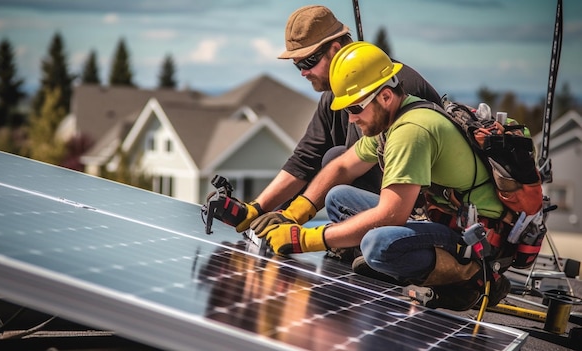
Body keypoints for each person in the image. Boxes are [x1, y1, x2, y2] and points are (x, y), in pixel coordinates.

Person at [249, 41, 511, 311]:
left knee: (378, 245)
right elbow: (342, 167)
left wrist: (304, 239)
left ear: (385, 96)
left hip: (474, 238)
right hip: (446, 220)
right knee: (338, 197)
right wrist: (294, 214)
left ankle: (469, 278)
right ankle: (396, 260)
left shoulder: (411, 131)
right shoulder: (392, 118)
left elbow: (391, 215)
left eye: (354, 109)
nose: (351, 119)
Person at [213, 5, 441, 263]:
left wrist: (308, 237)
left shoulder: (390, 90)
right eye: (297, 64)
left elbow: (392, 202)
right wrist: (260, 209)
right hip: (381, 212)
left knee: (337, 160)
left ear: (335, 49)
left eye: (309, 62)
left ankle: (368, 249)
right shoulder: (334, 97)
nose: (303, 72)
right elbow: (305, 159)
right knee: (334, 159)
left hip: (417, 217)